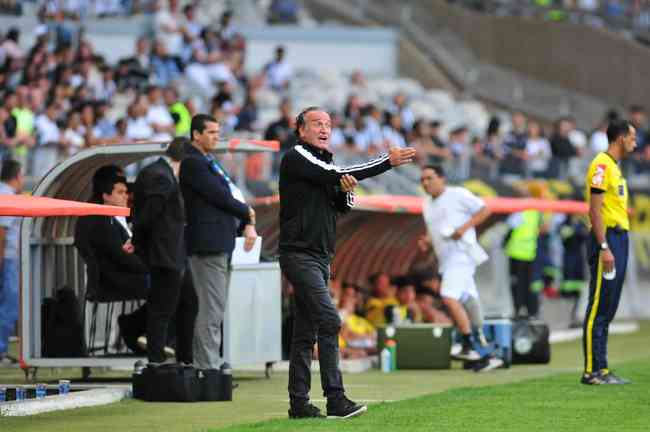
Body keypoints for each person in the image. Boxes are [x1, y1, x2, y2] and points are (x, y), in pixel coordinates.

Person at [279, 106, 416, 419]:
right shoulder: (297, 156)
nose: (324, 129)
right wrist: (386, 161)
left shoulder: (325, 163)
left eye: (328, 124)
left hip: (320, 256)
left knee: (305, 333)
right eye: (316, 123)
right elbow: (335, 176)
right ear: (301, 130)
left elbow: (343, 205)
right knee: (330, 321)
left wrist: (343, 193)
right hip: (299, 254)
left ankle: (299, 404)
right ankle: (336, 399)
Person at [179, 114, 257, 371]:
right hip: (207, 244)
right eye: (211, 132)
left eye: (217, 132)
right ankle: (207, 367)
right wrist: (245, 212)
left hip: (217, 242)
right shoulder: (193, 163)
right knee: (211, 309)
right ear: (196, 134)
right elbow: (219, 196)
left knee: (215, 307)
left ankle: (209, 363)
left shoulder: (206, 161)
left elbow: (224, 194)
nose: (215, 137)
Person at [418, 165, 493, 364]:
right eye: (422, 180)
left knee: (449, 296)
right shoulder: (426, 204)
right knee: (470, 302)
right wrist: (427, 241)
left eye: (429, 178)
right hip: (446, 260)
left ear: (441, 178)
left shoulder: (457, 194)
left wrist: (464, 228)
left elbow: (485, 210)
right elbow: (432, 231)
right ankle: (487, 353)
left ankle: (467, 344)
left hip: (462, 255)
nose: (426, 183)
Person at [581, 119, 636, 385]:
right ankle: (592, 371)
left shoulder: (615, 168)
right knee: (598, 306)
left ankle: (602, 369)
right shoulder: (601, 165)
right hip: (607, 239)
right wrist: (604, 246)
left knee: (609, 307)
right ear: (620, 138)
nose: (635, 142)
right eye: (632, 137)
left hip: (619, 238)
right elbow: (595, 209)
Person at [132, 137, 196, 365]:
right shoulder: (160, 176)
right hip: (165, 255)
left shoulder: (162, 174)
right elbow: (147, 217)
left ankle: (185, 360)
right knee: (161, 310)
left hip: (173, 254)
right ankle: (156, 362)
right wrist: (137, 240)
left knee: (188, 302)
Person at [74, 171, 150, 353]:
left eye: (126, 192)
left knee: (172, 285)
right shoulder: (101, 222)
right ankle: (143, 334)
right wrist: (152, 268)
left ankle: (150, 335)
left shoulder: (119, 218)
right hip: (113, 280)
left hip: (126, 275)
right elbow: (120, 257)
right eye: (120, 192)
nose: (126, 196)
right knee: (167, 285)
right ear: (105, 196)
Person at [0, 160, 23, 365]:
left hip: (6, 257)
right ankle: (0, 351)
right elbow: (2, 230)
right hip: (6, 258)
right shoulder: (7, 195)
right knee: (8, 306)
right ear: (17, 175)